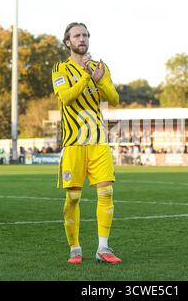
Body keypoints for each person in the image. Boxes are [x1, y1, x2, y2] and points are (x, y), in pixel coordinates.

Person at [51, 22, 121, 264]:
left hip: (98, 141)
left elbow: (114, 98)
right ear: (68, 42)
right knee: (73, 198)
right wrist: (85, 75)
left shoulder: (101, 68)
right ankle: (75, 248)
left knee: (107, 192)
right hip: (73, 143)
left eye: (85, 35)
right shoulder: (60, 69)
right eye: (77, 35)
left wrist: (100, 80)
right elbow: (67, 98)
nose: (82, 39)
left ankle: (103, 248)